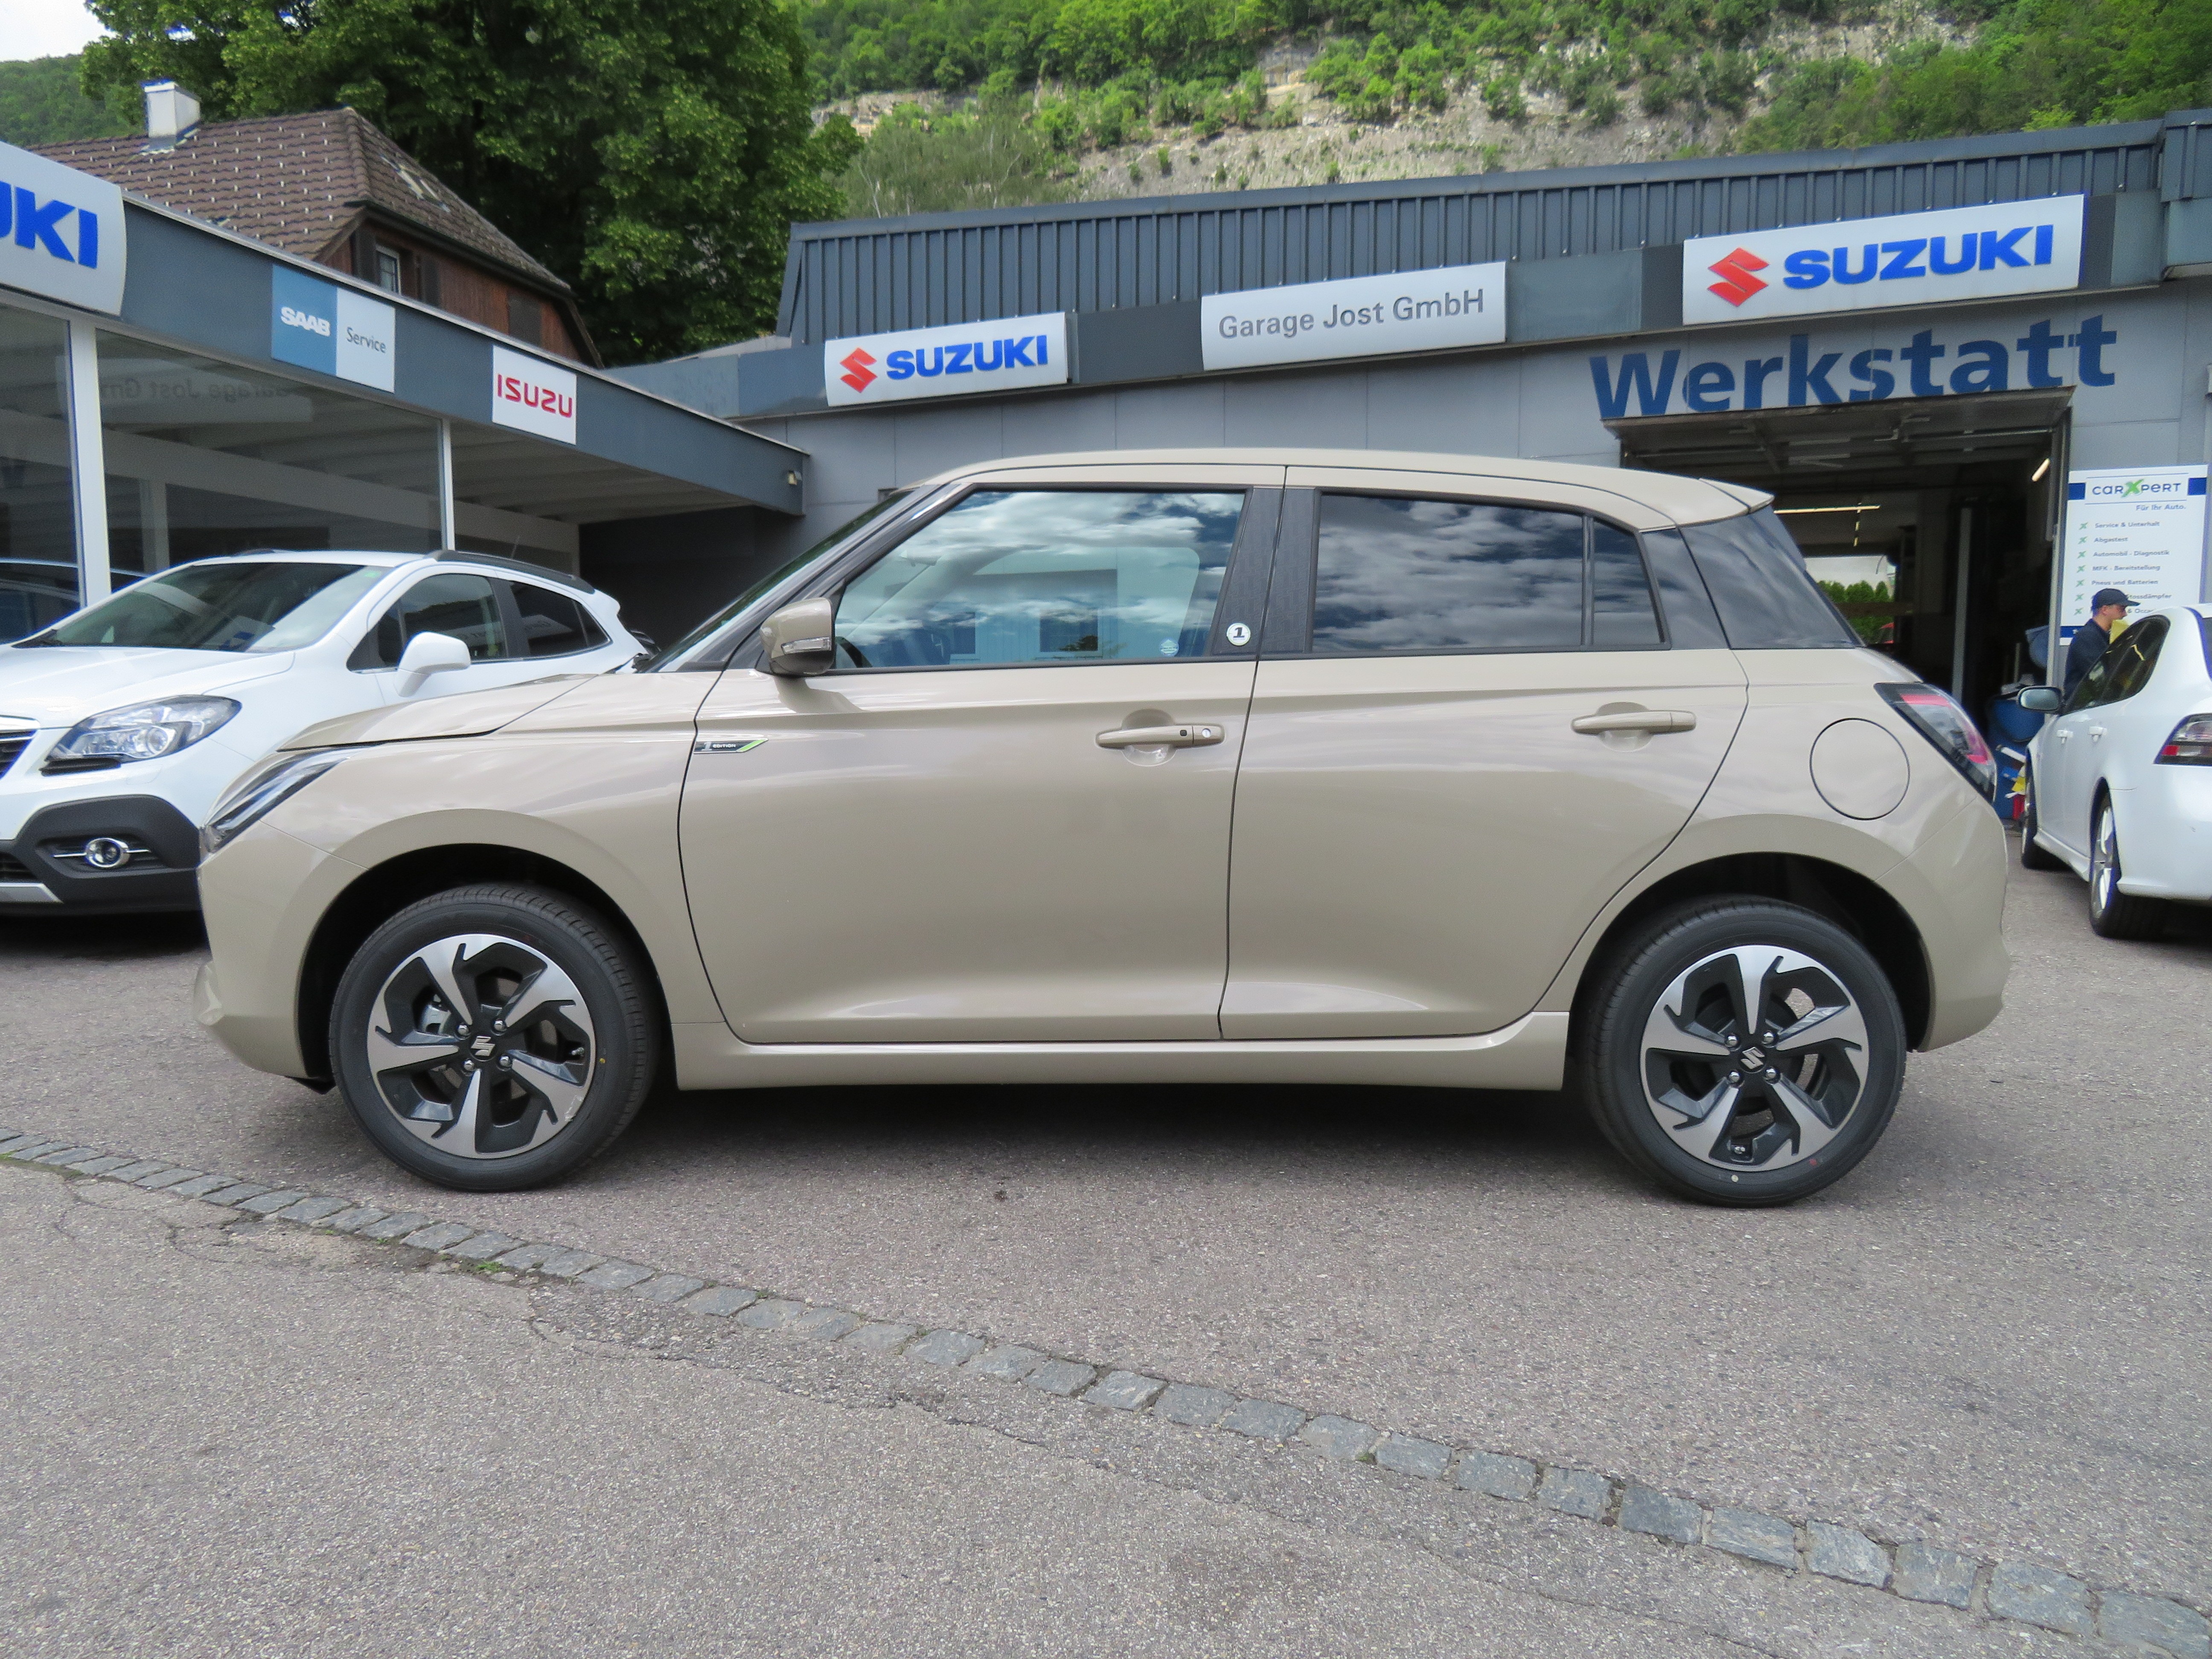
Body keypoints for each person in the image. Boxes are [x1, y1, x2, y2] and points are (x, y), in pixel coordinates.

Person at [2064, 588, 2134, 696]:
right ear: (2105, 610)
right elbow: (2100, 677)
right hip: (2086, 706)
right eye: (2121, 609)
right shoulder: (2087, 637)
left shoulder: (2106, 636)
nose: (2125, 614)